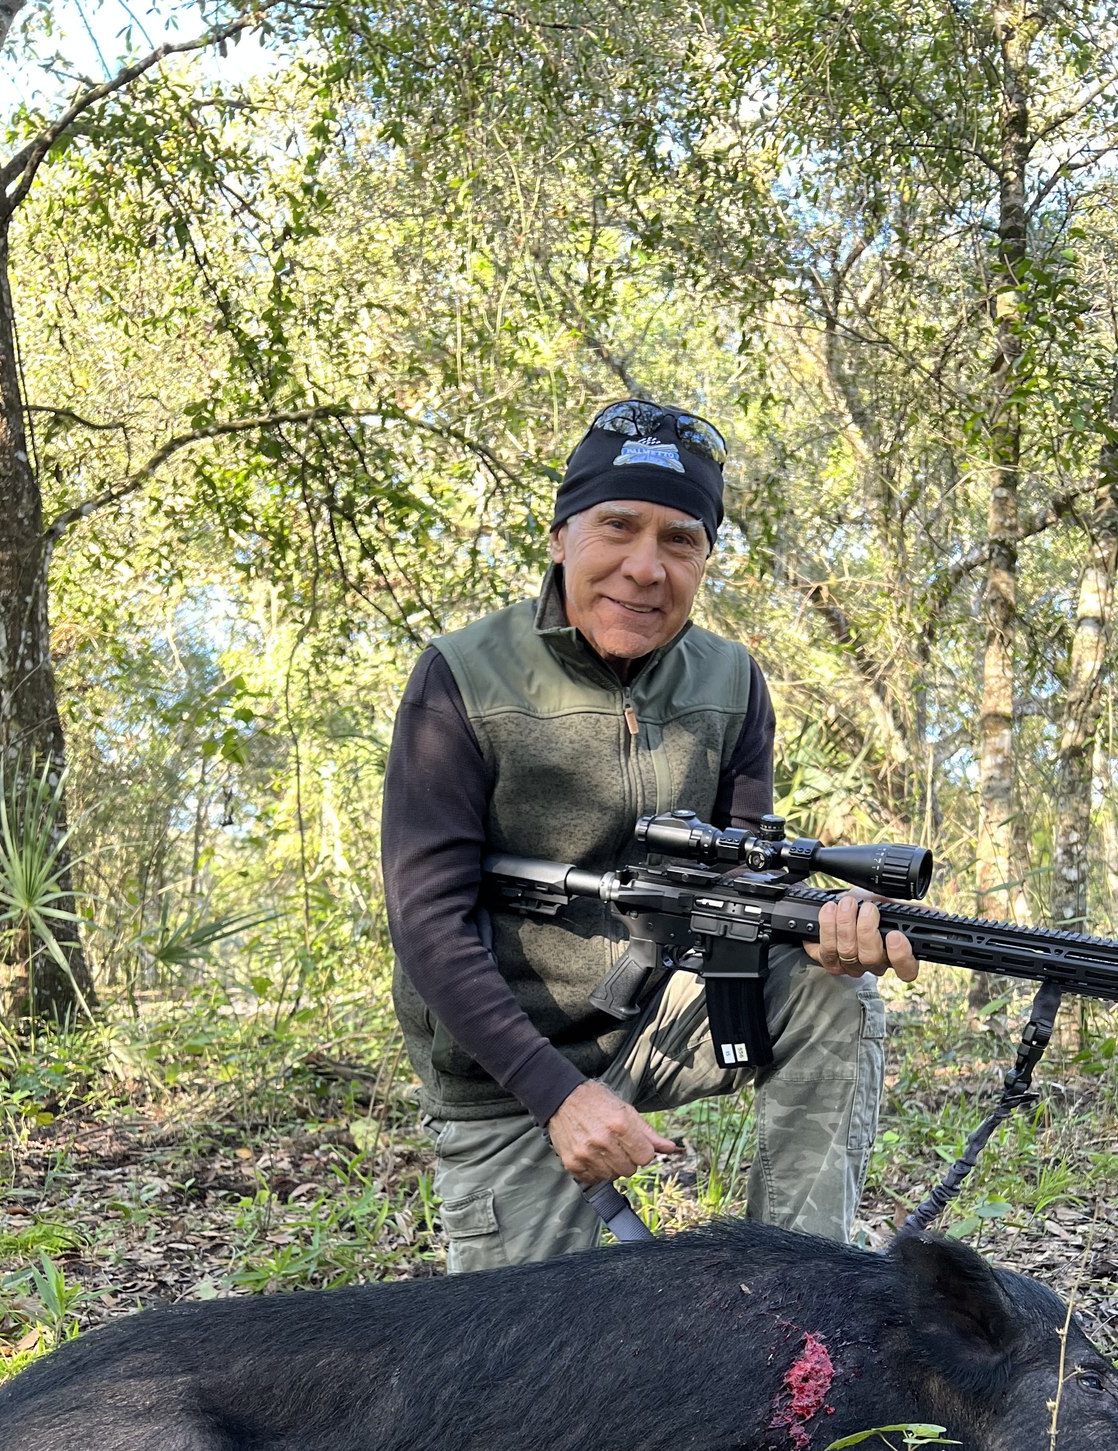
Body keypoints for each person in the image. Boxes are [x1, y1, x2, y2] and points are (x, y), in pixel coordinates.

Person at [381, 400, 918, 1271]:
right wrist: (559, 1097)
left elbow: (748, 876)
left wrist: (820, 927)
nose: (644, 567)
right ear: (561, 536)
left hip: (662, 1014)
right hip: (508, 1075)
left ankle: (800, 1288)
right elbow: (426, 920)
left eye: (680, 540)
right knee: (523, 1351)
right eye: (617, 526)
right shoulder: (463, 676)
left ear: (705, 559)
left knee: (835, 991)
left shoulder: (731, 680)